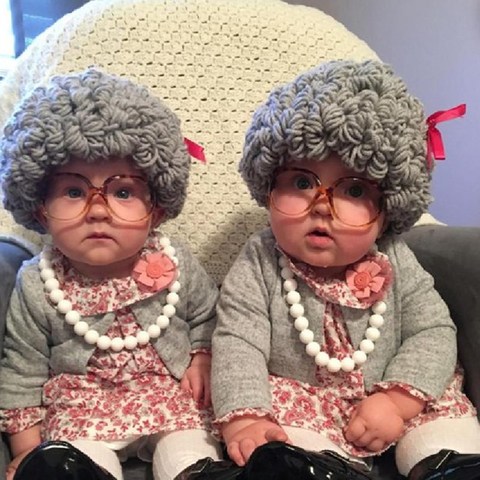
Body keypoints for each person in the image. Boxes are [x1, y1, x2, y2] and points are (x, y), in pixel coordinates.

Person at [204, 60, 479, 480]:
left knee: (446, 432)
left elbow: (433, 331)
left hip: (397, 393)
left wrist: (398, 399)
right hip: (301, 402)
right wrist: (245, 417)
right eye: (300, 182)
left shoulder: (393, 257)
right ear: (268, 186)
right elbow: (238, 341)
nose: (321, 205)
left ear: (388, 210)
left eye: (353, 189)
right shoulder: (260, 260)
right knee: (288, 453)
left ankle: (447, 465)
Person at [0, 68, 222, 480]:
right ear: (39, 208)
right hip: (82, 408)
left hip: (169, 397)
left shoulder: (176, 260)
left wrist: (202, 355)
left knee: (189, 451)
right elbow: (22, 365)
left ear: (155, 208)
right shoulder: (37, 282)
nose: (98, 208)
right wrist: (28, 448)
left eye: (123, 192)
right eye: (73, 191)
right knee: (77, 463)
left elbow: (207, 316)